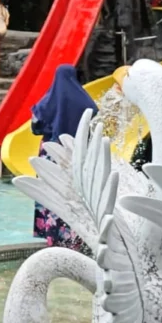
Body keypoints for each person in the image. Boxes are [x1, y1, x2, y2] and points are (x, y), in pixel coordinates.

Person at [30, 65, 96, 251]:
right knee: (75, 195)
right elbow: (93, 116)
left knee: (51, 191)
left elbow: (35, 126)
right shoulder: (85, 102)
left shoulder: (47, 101)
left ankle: (51, 237)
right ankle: (76, 238)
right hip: (75, 154)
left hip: (51, 153)